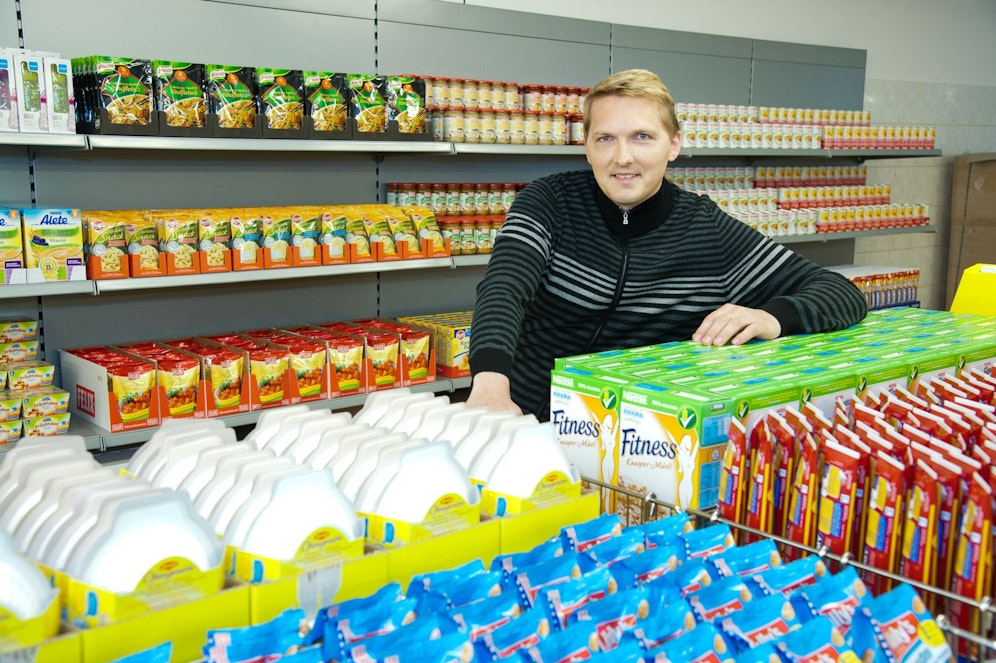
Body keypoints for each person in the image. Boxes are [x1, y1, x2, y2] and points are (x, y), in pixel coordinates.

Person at [466, 68, 868, 421]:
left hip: (644, 434)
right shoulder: (549, 201)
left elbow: (841, 293)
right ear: (586, 145)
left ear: (673, 145)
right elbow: (504, 289)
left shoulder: (706, 227)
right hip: (530, 418)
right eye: (606, 138)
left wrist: (772, 317)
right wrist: (489, 385)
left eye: (642, 137)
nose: (623, 157)